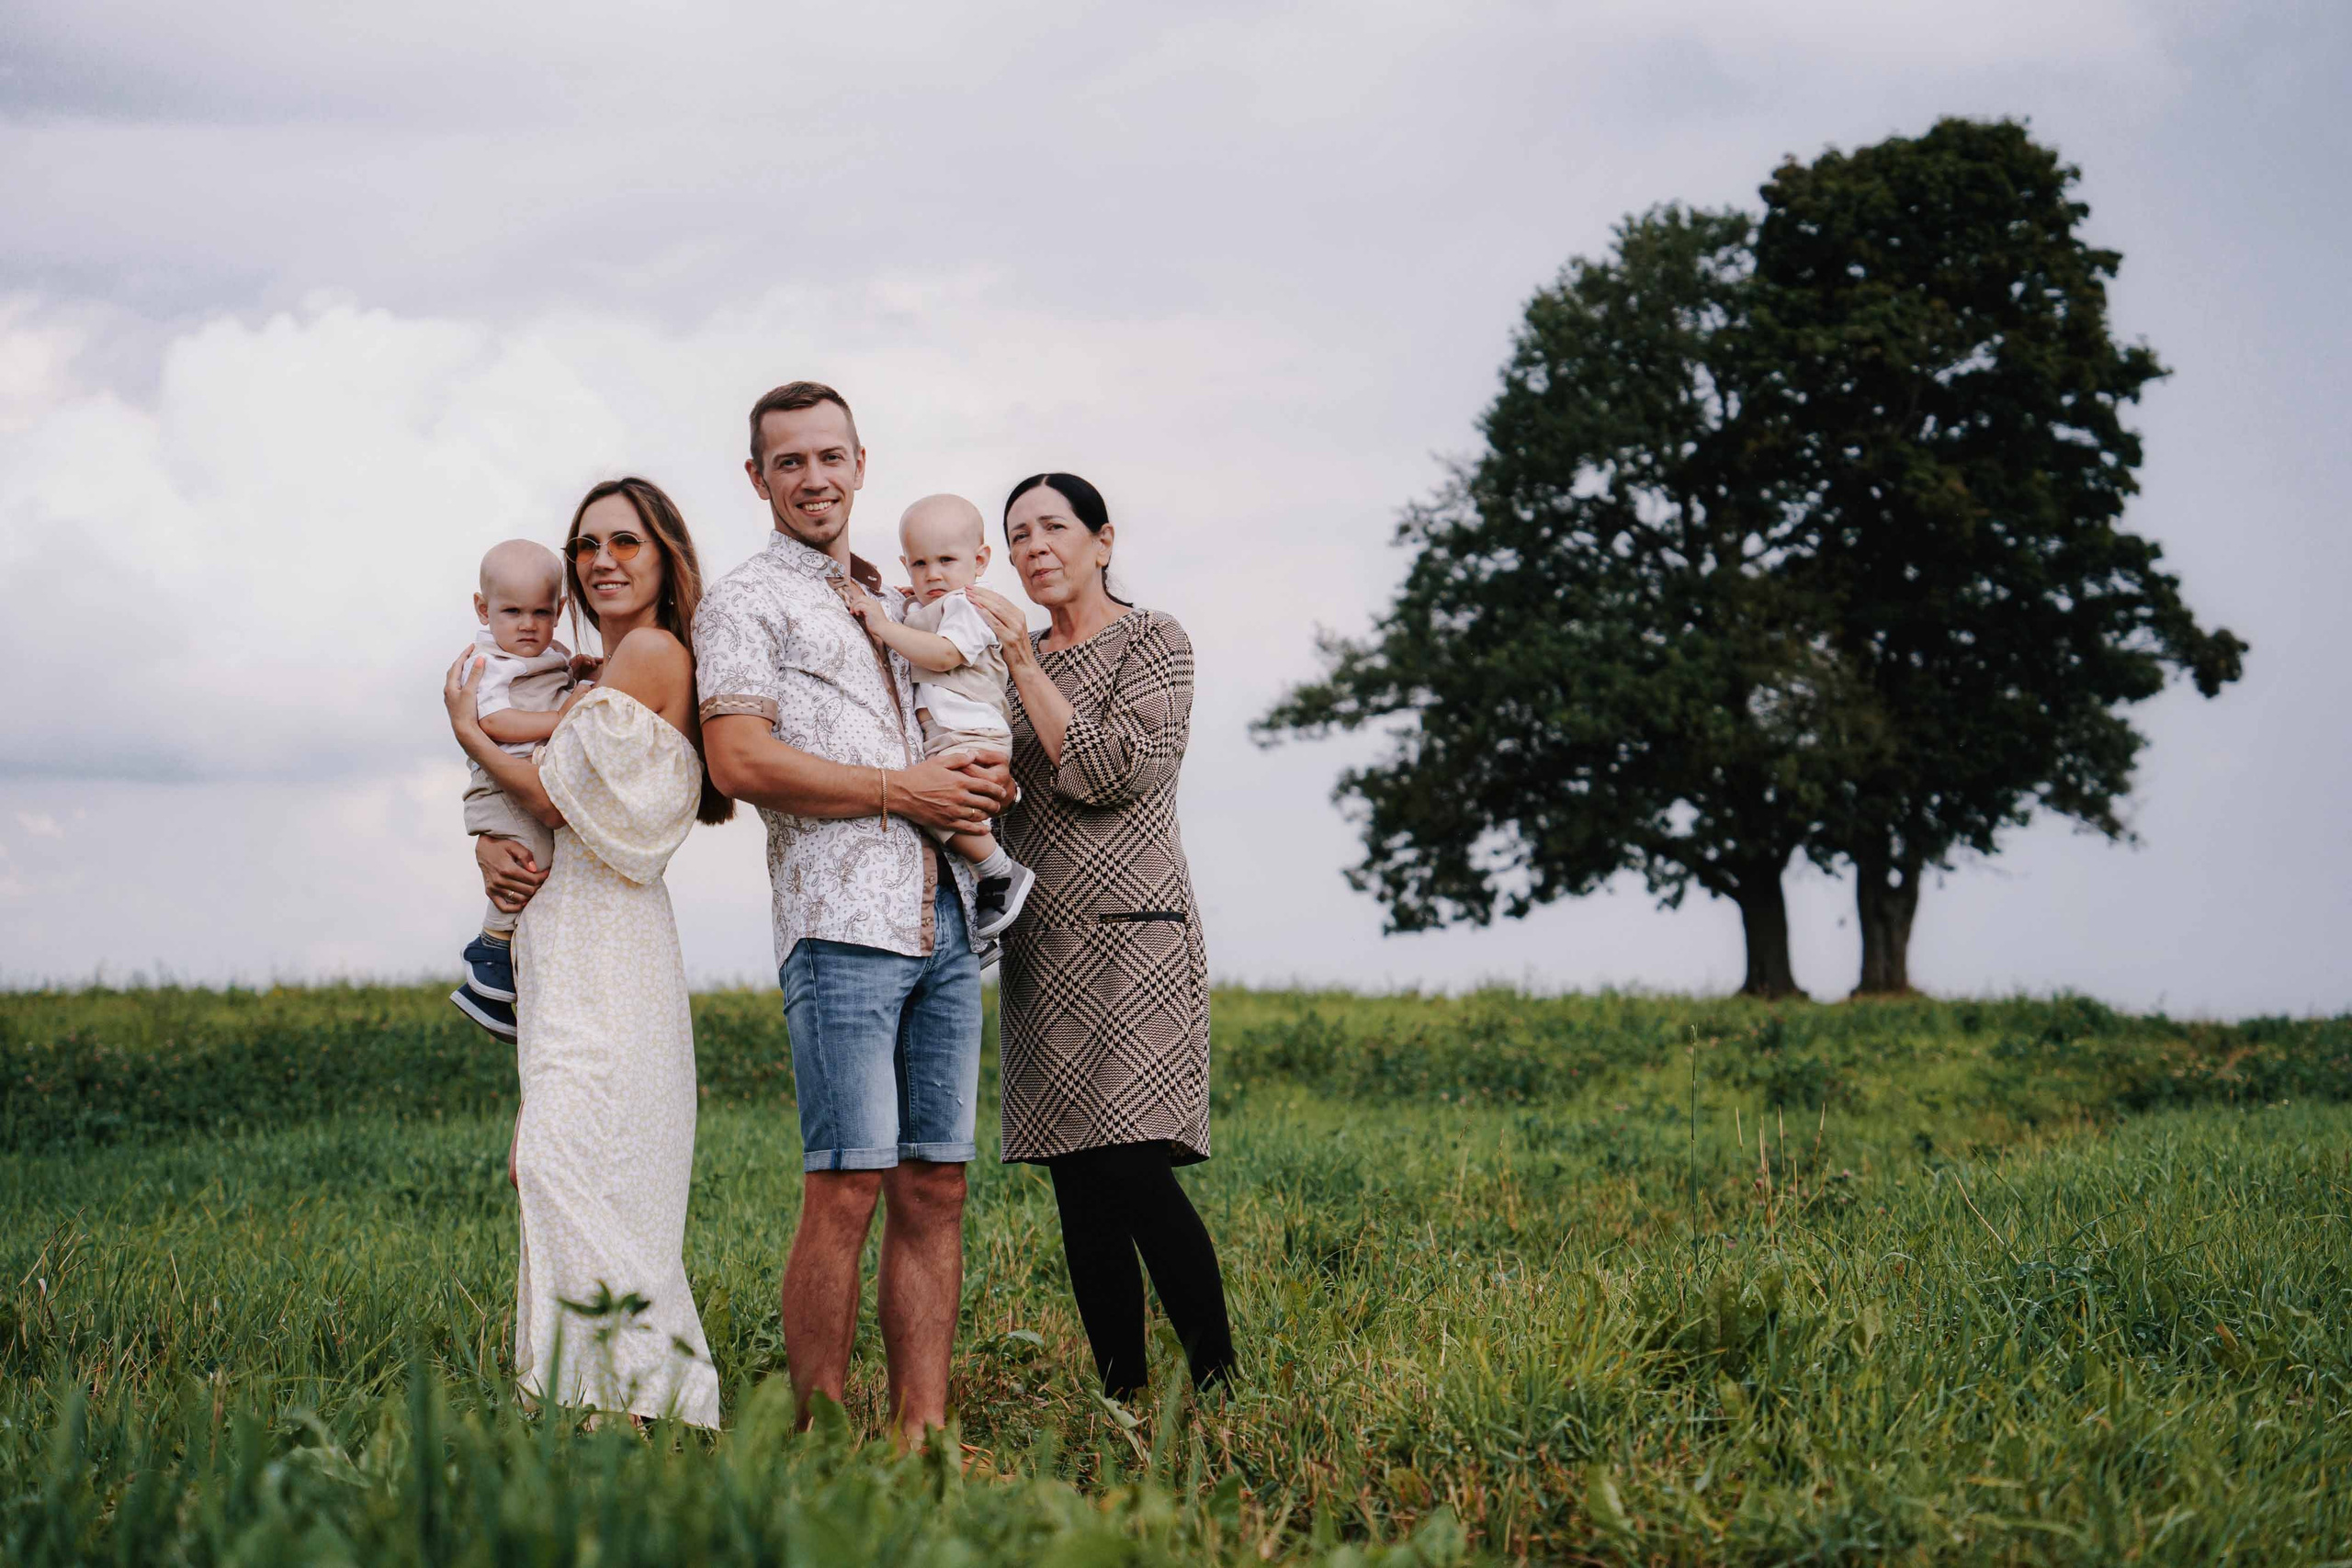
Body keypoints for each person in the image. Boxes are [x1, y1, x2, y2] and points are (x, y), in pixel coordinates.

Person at [691, 380, 1015, 1447]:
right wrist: (901, 794)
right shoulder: (746, 601)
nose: (813, 478)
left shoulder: (896, 598)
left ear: (860, 463)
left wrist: (973, 782)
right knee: (848, 1184)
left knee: (936, 1185)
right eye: (789, 462)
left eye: (830, 457)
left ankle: (921, 1436)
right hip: (841, 928)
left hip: (947, 918)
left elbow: (944, 717)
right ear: (758, 479)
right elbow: (737, 761)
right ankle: (824, 1442)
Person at [446, 476, 733, 1429]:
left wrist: (466, 736)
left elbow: (555, 800)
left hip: (610, 942)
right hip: (565, 928)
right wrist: (486, 840)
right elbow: (540, 810)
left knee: (572, 1158)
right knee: (578, 1159)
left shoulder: (650, 651)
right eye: (587, 547)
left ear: (664, 559)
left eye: (625, 543)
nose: (603, 560)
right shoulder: (585, 673)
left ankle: (641, 1395)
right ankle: (589, 1397)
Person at [966, 471, 1238, 1402]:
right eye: (1017, 535)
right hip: (1042, 945)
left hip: (1138, 941)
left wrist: (1025, 669)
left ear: (1103, 539)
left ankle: (1219, 1380)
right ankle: (1122, 1396)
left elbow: (1113, 770)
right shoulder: (1005, 665)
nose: (1034, 547)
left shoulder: (1153, 640)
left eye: (1053, 527)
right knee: (1075, 1178)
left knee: (1128, 1158)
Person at [837, 492, 1035, 946]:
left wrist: (886, 626)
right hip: (950, 734)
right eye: (920, 565)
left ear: (980, 560)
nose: (934, 574)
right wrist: (909, 609)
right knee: (936, 811)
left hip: (971, 731)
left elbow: (945, 655)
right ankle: (983, 928)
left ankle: (1000, 872)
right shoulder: (929, 607)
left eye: (947, 560)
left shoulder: (970, 607)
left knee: (938, 807)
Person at [449, 539, 576, 1041]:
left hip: (520, 780)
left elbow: (558, 677)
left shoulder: (545, 653)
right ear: (483, 609)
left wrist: (579, 671)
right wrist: (560, 719)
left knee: (536, 859)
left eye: (542, 612)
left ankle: (498, 985)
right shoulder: (488, 662)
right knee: (532, 856)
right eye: (513, 611)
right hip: (502, 786)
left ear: (560, 611)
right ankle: (491, 945)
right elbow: (494, 720)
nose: (528, 625)